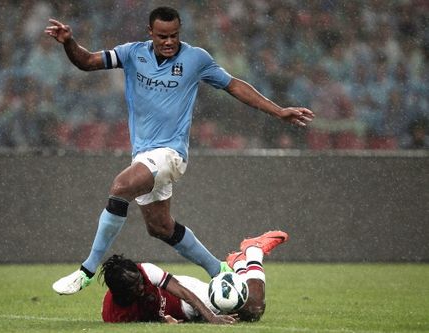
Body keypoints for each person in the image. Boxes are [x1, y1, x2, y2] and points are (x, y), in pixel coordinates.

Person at [45, 6, 314, 295]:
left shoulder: (195, 59)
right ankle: (221, 270)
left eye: (174, 35)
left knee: (121, 186)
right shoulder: (131, 53)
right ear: (150, 33)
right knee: (160, 227)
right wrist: (69, 43)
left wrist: (277, 112)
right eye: (162, 36)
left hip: (171, 154)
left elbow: (233, 85)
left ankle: (86, 270)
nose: (169, 42)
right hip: (144, 156)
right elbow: (86, 61)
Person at [100, 230, 288, 323]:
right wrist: (163, 321)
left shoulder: (145, 271)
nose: (141, 287)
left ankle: (253, 251)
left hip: (189, 300)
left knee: (253, 310)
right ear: (119, 292)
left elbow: (183, 291)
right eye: (134, 287)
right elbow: (142, 319)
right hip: (183, 316)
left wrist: (211, 318)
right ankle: (238, 262)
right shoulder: (114, 315)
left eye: (140, 282)